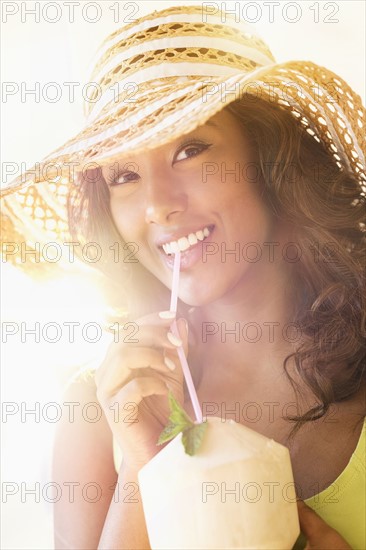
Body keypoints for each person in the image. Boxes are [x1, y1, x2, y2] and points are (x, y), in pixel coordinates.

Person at [1, 5, 364, 550]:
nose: (157, 206)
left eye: (191, 149)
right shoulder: (98, 413)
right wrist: (143, 469)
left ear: (269, 157)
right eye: (124, 175)